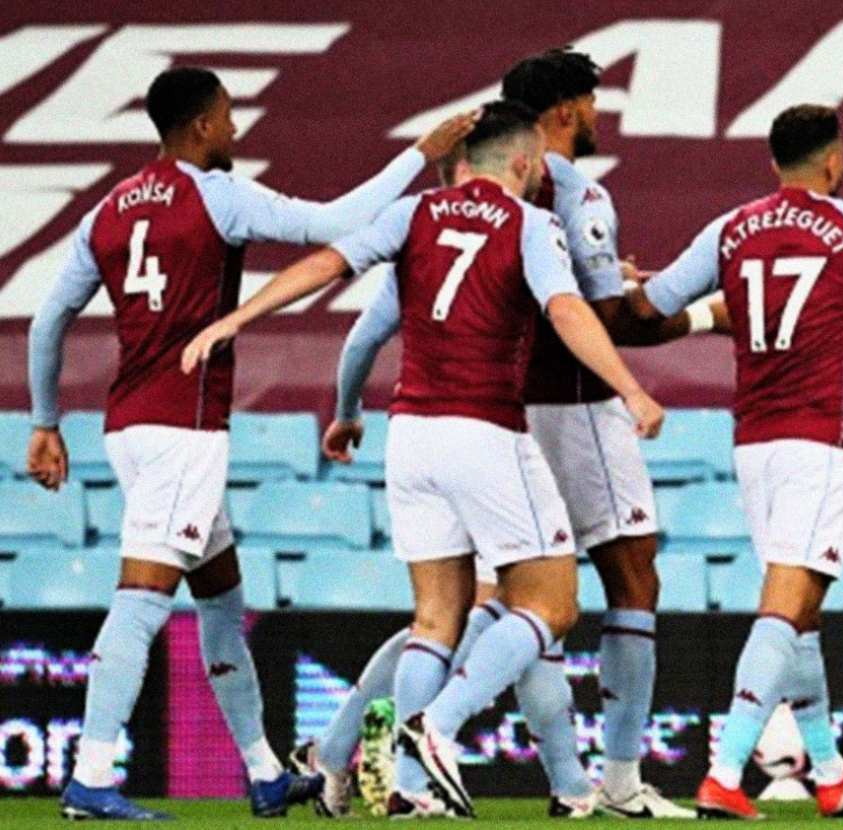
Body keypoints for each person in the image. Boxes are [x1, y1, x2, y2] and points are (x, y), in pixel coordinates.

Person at [181, 99, 664, 818]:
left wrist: (239, 317)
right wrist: (631, 390)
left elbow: (327, 264)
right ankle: (436, 729)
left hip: (410, 434)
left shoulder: (413, 217)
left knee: (438, 616)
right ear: (526, 165)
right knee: (551, 604)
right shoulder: (531, 224)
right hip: (486, 431)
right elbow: (567, 312)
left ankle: (409, 789)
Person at [24, 65, 471, 821]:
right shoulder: (217, 195)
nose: (237, 129)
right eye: (228, 116)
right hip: (183, 427)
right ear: (199, 126)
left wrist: (43, 423)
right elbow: (337, 222)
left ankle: (266, 773)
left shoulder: (104, 210)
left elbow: (47, 322)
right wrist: (417, 153)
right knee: (141, 600)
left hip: (130, 422)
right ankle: (92, 775)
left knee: (223, 598)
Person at [296, 49, 713, 819]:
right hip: (572, 412)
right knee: (627, 582)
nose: (596, 116)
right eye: (589, 103)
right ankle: (609, 777)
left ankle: (339, 751)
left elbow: (369, 329)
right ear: (560, 111)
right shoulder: (573, 191)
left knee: (467, 609)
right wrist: (700, 306)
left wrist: (346, 409)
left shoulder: (440, 208)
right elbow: (599, 318)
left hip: (483, 416)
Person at [626, 103, 843, 819]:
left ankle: (827, 771)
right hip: (821, 437)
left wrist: (653, 286)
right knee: (787, 605)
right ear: (833, 162)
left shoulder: (730, 228)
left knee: (805, 611)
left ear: (772, 162)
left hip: (755, 440)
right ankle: (726, 772)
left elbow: (649, 306)